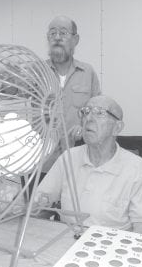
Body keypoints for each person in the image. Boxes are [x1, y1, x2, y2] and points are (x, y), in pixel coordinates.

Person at [34, 95, 142, 236]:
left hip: (110, 248)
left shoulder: (137, 169)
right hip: (65, 240)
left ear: (117, 128)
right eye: (86, 112)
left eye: (100, 113)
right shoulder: (69, 158)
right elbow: (40, 203)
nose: (88, 118)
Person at [42, 15, 101, 173]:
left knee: (76, 198)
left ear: (75, 40)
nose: (57, 38)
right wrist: (8, 81)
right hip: (42, 164)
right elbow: (10, 93)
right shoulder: (38, 72)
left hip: (79, 161)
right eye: (52, 33)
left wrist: (84, 126)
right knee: (41, 198)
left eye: (63, 33)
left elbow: (98, 112)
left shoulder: (87, 73)